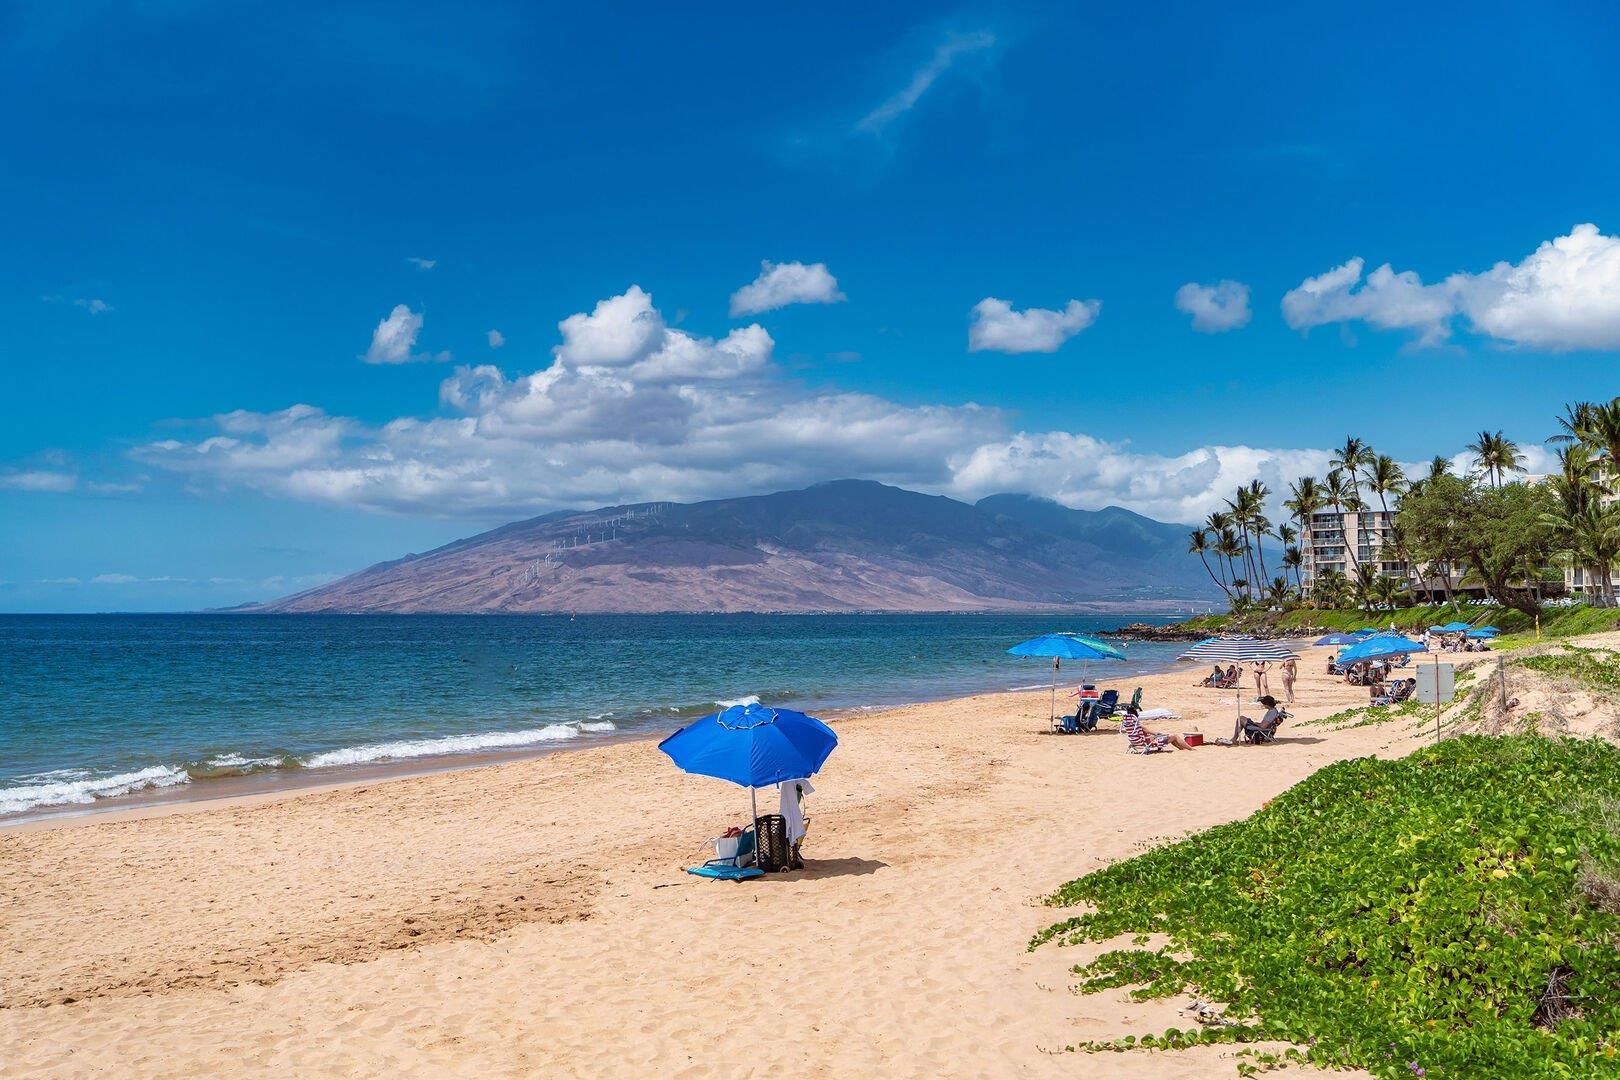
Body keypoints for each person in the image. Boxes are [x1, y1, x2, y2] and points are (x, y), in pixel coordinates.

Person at [1121, 705, 1195, 752]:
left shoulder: (1128, 726)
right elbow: (1156, 734)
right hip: (1147, 743)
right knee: (1174, 736)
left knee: (1171, 737)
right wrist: (1162, 734)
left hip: (1135, 742)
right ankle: (1191, 749)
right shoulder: (1139, 726)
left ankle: (1182, 749)